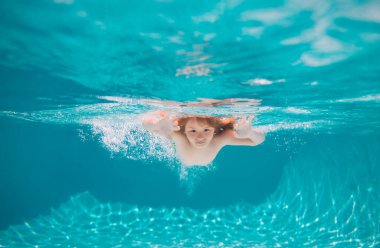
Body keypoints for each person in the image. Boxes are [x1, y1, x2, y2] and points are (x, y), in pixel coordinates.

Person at [142, 111, 265, 166]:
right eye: (192, 131)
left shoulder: (220, 138)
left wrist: (250, 132)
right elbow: (145, 124)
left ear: (215, 130)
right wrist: (157, 124)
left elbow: (257, 141)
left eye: (206, 130)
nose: (200, 136)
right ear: (184, 131)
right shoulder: (178, 135)